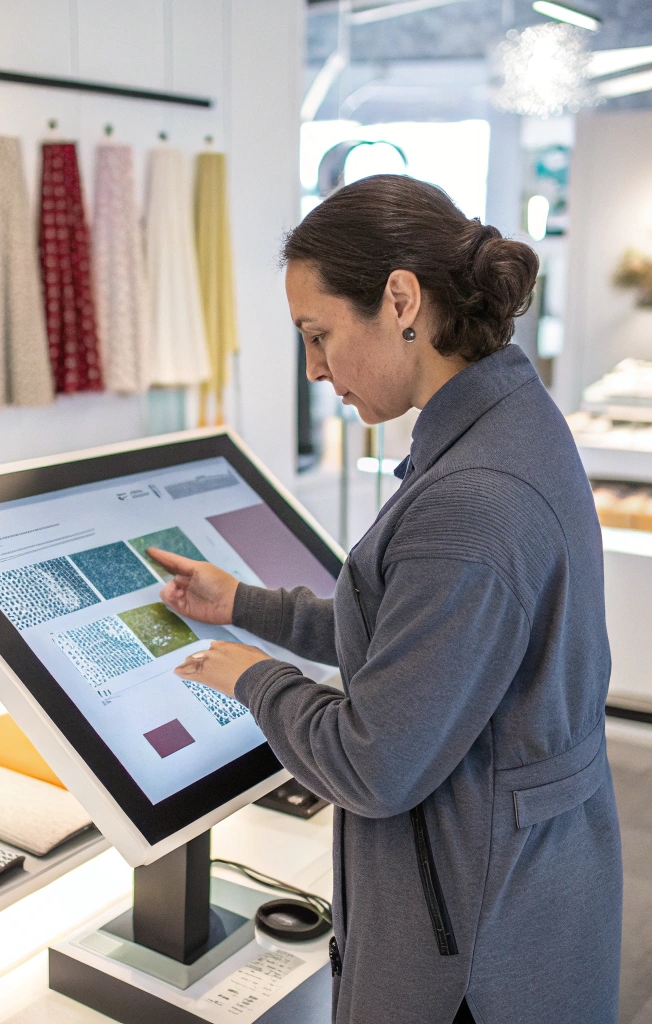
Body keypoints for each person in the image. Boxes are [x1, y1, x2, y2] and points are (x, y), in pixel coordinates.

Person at [147, 175, 622, 1024]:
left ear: (401, 299)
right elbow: (424, 641)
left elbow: (374, 765)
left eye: (318, 332)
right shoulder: (512, 420)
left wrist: (253, 677)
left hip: (472, 956)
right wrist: (250, 605)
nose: (314, 368)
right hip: (528, 902)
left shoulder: (472, 498)